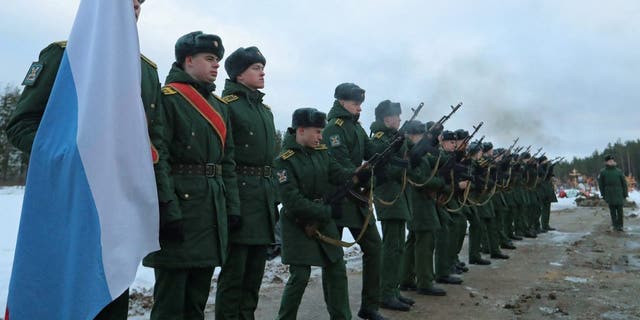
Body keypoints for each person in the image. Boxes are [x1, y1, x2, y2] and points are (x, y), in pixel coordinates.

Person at [5, 1, 160, 318]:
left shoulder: (144, 69)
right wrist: (75, 158)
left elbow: (150, 140)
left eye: (140, 1)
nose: (134, 5)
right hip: (68, 202)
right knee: (66, 293)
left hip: (120, 204)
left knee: (111, 293)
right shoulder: (63, 55)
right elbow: (21, 125)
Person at [142, 31, 241, 319]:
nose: (216, 65)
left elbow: (228, 163)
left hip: (211, 210)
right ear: (188, 60)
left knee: (197, 301)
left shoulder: (220, 107)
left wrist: (231, 208)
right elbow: (157, 159)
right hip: (181, 208)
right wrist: (166, 209)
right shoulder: (168, 99)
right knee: (170, 303)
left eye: (218, 60)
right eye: (209, 59)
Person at [275, 107, 359, 320]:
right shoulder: (284, 160)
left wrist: (359, 174)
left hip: (323, 218)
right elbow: (292, 201)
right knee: (300, 276)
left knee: (337, 269)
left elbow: (337, 173)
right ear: (301, 130)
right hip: (297, 222)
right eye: (317, 132)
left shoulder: (321, 152)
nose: (321, 136)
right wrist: (326, 211)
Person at [215, 46, 278, 320]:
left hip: (262, 201)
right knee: (234, 276)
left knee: (254, 276)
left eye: (262, 67)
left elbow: (271, 161)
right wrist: (232, 206)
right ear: (239, 74)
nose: (262, 72)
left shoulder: (265, 111)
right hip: (239, 198)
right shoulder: (225, 106)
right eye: (256, 67)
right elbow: (224, 160)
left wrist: (273, 197)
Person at [322, 83, 386, 320]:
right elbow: (338, 164)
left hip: (357, 199)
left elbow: (372, 151)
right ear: (341, 102)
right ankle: (338, 313)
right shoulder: (333, 129)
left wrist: (393, 146)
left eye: (360, 104)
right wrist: (359, 172)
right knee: (333, 258)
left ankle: (370, 306)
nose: (359, 108)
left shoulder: (356, 128)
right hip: (339, 200)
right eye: (355, 103)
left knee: (374, 248)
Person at [369, 101, 415, 311]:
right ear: (387, 119)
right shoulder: (380, 138)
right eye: (396, 116)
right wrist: (400, 165)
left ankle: (393, 290)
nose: (399, 119)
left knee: (397, 247)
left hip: (397, 196)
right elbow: (383, 169)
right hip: (388, 196)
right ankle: (385, 293)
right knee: (391, 247)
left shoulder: (393, 137)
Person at [400, 120, 450, 296]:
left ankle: (406, 279)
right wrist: (441, 183)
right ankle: (425, 282)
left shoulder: (414, 151)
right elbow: (421, 179)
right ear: (413, 135)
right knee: (425, 242)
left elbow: (437, 160)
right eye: (421, 135)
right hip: (419, 201)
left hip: (416, 200)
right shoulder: (412, 152)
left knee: (414, 241)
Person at [597, 155, 628, 231]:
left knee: (620, 211)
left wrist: (625, 193)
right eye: (609, 161)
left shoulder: (619, 171)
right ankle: (615, 225)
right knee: (612, 211)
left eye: (612, 160)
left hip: (619, 193)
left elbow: (624, 183)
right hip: (609, 194)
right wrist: (603, 194)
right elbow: (601, 184)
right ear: (606, 162)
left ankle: (620, 226)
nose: (611, 162)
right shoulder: (603, 172)